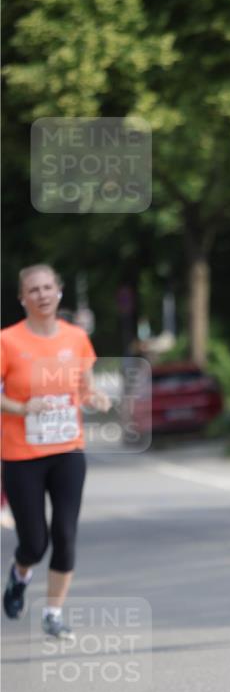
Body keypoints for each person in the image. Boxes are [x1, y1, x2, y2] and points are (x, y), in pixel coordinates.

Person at [1, 264, 111, 638]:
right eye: (34, 290)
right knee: (34, 542)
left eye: (48, 287)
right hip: (20, 453)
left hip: (67, 449)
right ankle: (19, 574)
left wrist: (94, 398)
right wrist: (20, 407)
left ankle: (53, 612)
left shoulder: (76, 338)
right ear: (22, 298)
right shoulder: (7, 341)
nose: (42, 295)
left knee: (65, 533)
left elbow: (84, 388)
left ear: (59, 292)